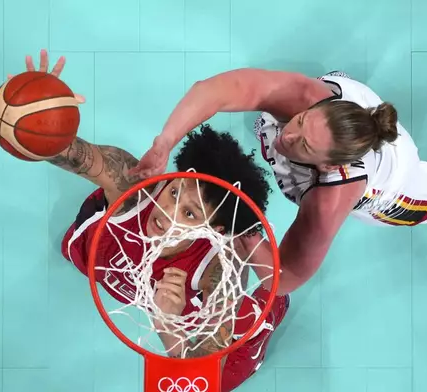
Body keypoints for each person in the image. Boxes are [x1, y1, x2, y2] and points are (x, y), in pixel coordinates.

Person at [130, 68, 427, 295]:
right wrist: (165, 141)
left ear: (326, 165)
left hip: (395, 186)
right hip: (351, 117)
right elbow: (214, 89)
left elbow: (287, 277)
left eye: (303, 145)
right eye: (300, 123)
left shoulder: (332, 198)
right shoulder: (304, 98)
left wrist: (245, 234)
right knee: (282, 118)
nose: (288, 134)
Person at [16, 50, 290, 392]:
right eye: (174, 193)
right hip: (112, 259)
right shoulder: (133, 188)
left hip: (178, 307)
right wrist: (37, 114)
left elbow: (191, 378)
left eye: (189, 213)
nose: (167, 212)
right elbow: (64, 151)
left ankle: (273, 310)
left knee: (229, 371)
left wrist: (166, 321)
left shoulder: (219, 272)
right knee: (83, 252)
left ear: (214, 231)